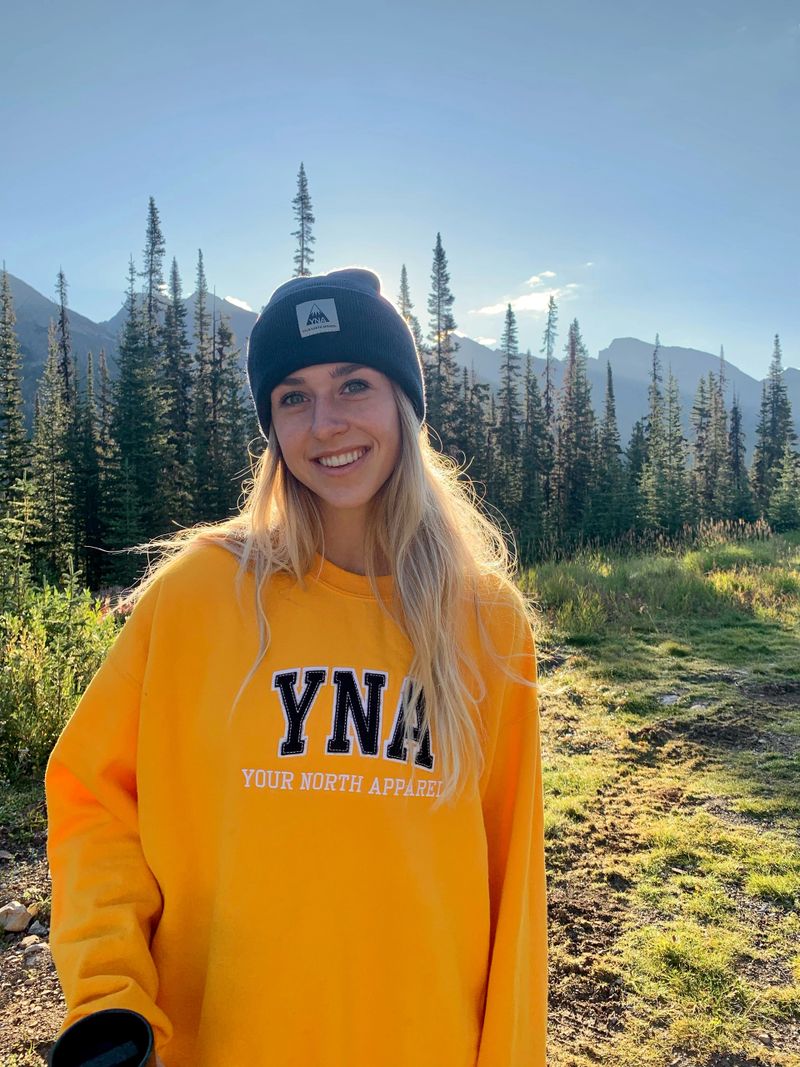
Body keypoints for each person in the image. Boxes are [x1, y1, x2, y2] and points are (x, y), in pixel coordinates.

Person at [45, 267, 548, 1066]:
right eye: (293, 397)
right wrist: (110, 995)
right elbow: (95, 802)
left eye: (354, 384)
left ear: (402, 400)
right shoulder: (197, 596)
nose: (326, 422)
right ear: (272, 427)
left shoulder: (485, 620)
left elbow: (513, 886)